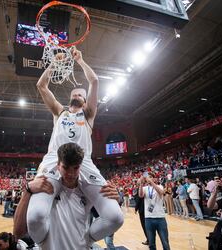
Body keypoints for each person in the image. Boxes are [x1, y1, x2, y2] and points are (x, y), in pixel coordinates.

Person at [27, 47, 123, 244]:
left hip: (84, 163)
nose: (78, 94)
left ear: (86, 100)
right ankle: (42, 242)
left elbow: (94, 81)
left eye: (81, 94)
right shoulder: (59, 112)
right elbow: (42, 85)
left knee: (115, 217)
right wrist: (55, 63)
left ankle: (86, 239)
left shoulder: (88, 115)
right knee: (35, 216)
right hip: (55, 160)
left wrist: (80, 60)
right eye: (75, 93)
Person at [14, 143, 120, 249]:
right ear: (58, 165)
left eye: (75, 168)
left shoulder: (88, 191)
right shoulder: (43, 187)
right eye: (66, 167)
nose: (70, 173)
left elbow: (111, 219)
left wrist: (115, 200)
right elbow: (18, 233)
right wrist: (27, 190)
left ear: (80, 167)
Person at [139, 173, 171, 250]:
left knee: (165, 243)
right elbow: (140, 195)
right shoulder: (145, 188)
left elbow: (161, 192)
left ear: (154, 179)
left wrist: (152, 183)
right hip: (148, 219)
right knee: (151, 244)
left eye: (151, 177)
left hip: (160, 218)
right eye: (148, 177)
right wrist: (140, 184)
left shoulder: (160, 186)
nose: (149, 178)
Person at [135, 181, 149, 245]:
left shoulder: (140, 189)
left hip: (142, 210)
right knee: (148, 226)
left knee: (144, 226)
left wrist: (136, 208)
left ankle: (149, 240)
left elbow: (138, 200)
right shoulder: (147, 188)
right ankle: (150, 239)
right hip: (147, 210)